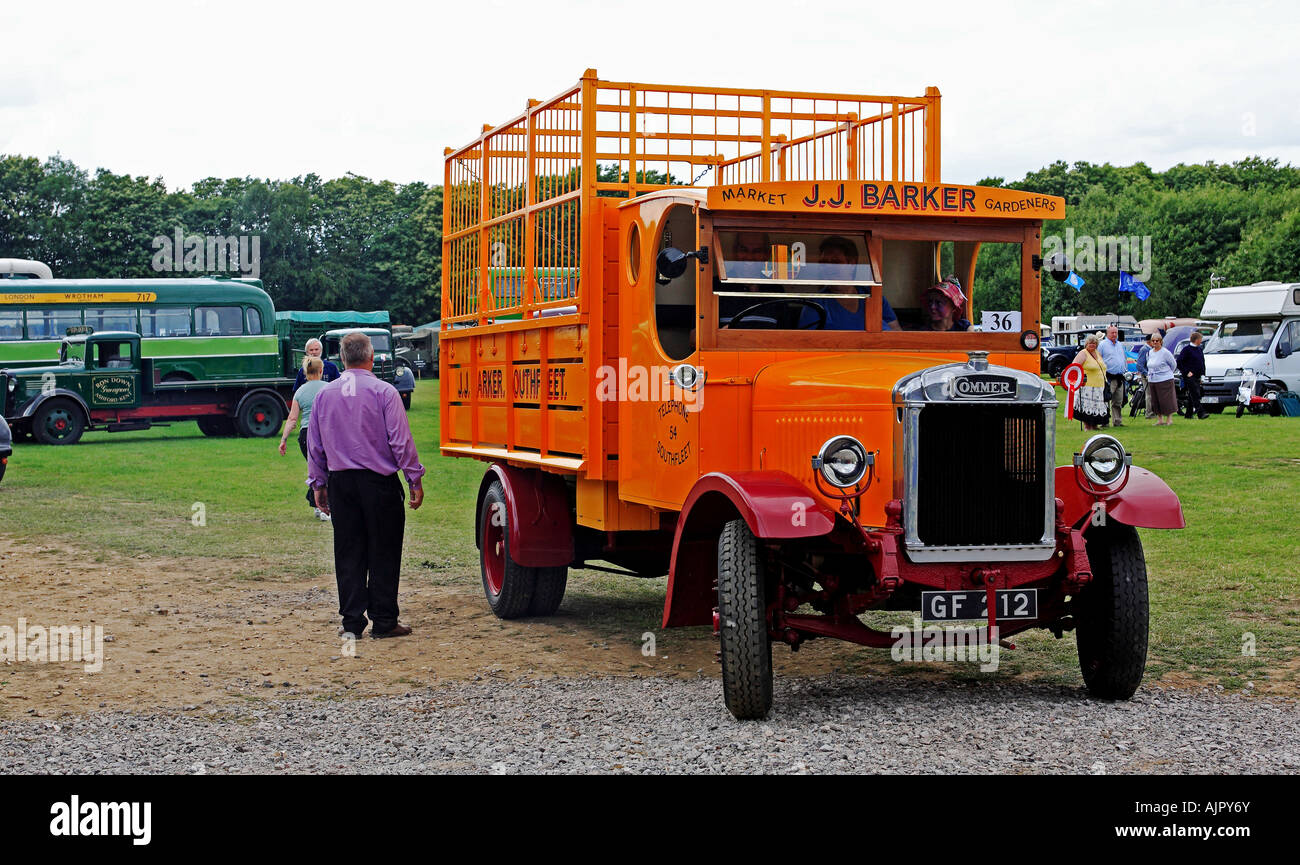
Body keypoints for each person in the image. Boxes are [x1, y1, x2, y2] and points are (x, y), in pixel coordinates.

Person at [308, 332, 424, 639]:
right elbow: (401, 442)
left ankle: (351, 623)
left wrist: (318, 484)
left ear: (342, 360)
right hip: (379, 484)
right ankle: (384, 620)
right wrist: (414, 477)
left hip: (341, 483)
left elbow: (315, 445)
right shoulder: (384, 392)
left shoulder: (324, 395)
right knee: (384, 551)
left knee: (348, 552)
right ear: (372, 358)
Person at [279, 356, 331, 520]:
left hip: (306, 435)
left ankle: (317, 505)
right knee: (329, 470)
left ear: (305, 373)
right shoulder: (329, 388)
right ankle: (325, 506)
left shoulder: (299, 392)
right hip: (326, 432)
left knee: (316, 470)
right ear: (321, 371)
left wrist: (284, 439)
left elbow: (292, 419)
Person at [1070, 335, 1110, 430]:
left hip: (1100, 386)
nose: (1092, 345)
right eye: (1090, 343)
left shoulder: (1098, 353)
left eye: (1094, 343)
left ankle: (1094, 425)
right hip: (1087, 386)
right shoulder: (1083, 353)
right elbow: (1074, 366)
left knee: (1096, 407)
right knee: (1088, 407)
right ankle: (1087, 426)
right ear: (1086, 344)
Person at [1144, 333, 1179, 426]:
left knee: (1166, 400)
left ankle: (1169, 419)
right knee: (1155, 400)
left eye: (1157, 341)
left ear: (1161, 342)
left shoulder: (1165, 352)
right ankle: (1160, 419)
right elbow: (1149, 365)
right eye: (1153, 341)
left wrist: (1166, 373)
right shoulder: (1150, 352)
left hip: (1165, 379)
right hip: (1153, 379)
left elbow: (1173, 364)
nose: (1155, 342)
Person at [1098, 325, 1128, 428]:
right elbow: (1099, 359)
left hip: (1119, 377)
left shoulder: (1120, 345)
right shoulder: (1102, 345)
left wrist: (1124, 369)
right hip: (1108, 377)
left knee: (1118, 401)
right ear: (1107, 333)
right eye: (1112, 333)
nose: (1114, 335)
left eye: (1116, 333)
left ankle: (1117, 421)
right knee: (1106, 399)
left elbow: (1124, 358)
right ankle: (1104, 422)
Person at [1178, 331, 1208, 419]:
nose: (1201, 341)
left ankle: (1188, 414)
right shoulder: (1186, 350)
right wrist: (1186, 372)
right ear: (1196, 340)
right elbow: (1179, 362)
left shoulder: (1199, 349)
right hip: (1189, 376)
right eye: (1200, 339)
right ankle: (1200, 413)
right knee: (1195, 394)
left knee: (1192, 395)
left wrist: (1203, 374)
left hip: (1198, 375)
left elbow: (1202, 362)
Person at [1134, 334, 1155, 420]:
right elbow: (1139, 365)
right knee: (1149, 394)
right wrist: (1146, 374)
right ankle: (1149, 413)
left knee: (1152, 394)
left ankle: (1153, 411)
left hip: (1152, 374)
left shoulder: (1151, 349)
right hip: (1146, 375)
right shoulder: (1144, 350)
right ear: (1149, 341)